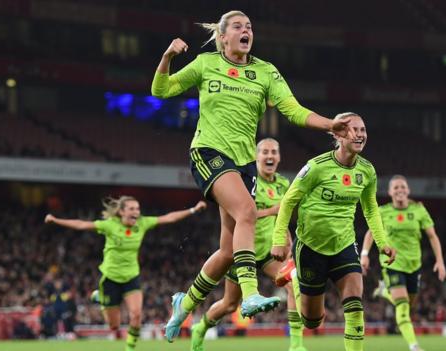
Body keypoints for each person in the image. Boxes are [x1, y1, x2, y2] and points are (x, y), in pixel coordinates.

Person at [151, 10, 354, 342]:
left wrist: (329, 124)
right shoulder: (205, 64)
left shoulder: (265, 72)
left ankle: (184, 303)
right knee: (247, 211)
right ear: (222, 36)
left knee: (228, 251)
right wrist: (167, 57)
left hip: (244, 166)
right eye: (238, 27)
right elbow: (161, 90)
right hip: (209, 153)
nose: (246, 31)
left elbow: (293, 109)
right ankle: (249, 295)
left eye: (249, 27)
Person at [271, 113, 396, 351]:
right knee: (312, 321)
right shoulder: (316, 167)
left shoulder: (367, 171)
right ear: (338, 134)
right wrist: (279, 239)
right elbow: (288, 202)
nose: (360, 134)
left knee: (355, 306)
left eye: (363, 130)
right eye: (354, 130)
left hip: (344, 246)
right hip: (310, 248)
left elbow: (371, 210)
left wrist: (383, 242)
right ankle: (295, 276)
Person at [44, 196, 206, 351]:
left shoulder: (142, 223)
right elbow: (82, 225)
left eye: (137, 208)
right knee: (114, 326)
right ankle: (99, 297)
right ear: (121, 212)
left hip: (131, 277)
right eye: (131, 208)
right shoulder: (110, 225)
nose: (136, 212)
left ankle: (129, 348)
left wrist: (193, 209)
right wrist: (56, 220)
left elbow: (169, 218)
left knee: (136, 315)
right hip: (110, 279)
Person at [190, 138, 306, 351]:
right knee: (230, 304)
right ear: (256, 156)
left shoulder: (283, 184)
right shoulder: (244, 180)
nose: (269, 156)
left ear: (279, 157)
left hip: (270, 253)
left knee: (294, 282)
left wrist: (285, 235)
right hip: (243, 252)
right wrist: (273, 210)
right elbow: (242, 214)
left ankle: (296, 345)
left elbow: (281, 215)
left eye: (274, 152)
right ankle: (201, 327)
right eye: (265, 152)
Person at [360, 175, 446, 351]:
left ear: (408, 190)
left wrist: (440, 260)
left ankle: (385, 291)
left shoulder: (419, 210)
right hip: (392, 263)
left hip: (414, 264)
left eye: (402, 187)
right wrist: (365, 254)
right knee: (402, 303)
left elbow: (432, 236)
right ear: (390, 191)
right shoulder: (383, 211)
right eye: (396, 187)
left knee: (409, 304)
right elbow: (370, 233)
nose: (400, 190)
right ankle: (414, 345)